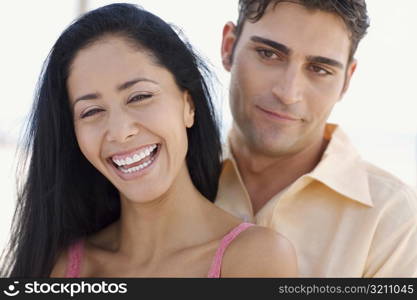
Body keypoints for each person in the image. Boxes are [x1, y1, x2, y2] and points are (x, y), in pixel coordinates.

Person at [0, 3, 297, 278]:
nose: (119, 131)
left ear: (188, 105)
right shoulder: (64, 268)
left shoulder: (256, 259)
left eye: (140, 96)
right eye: (91, 111)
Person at [217, 0, 417, 277]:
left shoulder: (394, 218)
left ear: (346, 80)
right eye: (268, 54)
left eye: (320, 69)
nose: (288, 93)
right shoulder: (168, 177)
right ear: (228, 47)